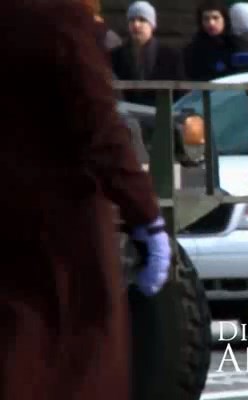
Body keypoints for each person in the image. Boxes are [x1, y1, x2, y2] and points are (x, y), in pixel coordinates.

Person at [0, 1, 171, 399]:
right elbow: (100, 128)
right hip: (55, 228)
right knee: (68, 358)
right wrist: (145, 214)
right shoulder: (60, 20)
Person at [111, 1, 185, 105]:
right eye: (132, 20)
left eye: (142, 20)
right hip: (126, 115)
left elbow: (180, 92)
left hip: (162, 115)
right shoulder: (115, 56)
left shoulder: (170, 56)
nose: (136, 25)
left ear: (152, 25)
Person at [184, 0, 243, 81]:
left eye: (215, 18)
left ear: (224, 19)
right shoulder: (193, 49)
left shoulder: (237, 45)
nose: (211, 23)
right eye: (206, 19)